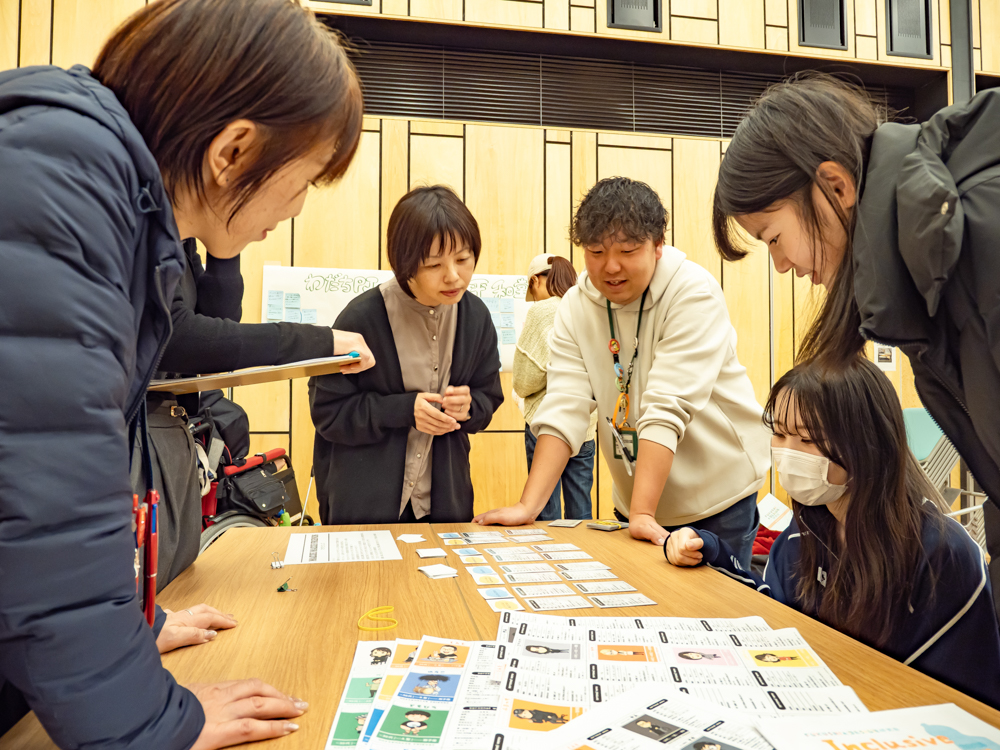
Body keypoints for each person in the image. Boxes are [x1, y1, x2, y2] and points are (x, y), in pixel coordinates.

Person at [0, 0, 364, 747]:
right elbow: (44, 495)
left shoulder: (110, 193)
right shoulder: (62, 175)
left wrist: (136, 630)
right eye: (304, 182)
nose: (291, 210)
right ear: (233, 150)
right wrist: (149, 720)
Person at [712, 72, 1000, 608]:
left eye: (775, 237)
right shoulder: (921, 280)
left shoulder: (979, 236)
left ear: (837, 187)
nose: (782, 265)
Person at [664, 357, 1000, 709]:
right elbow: (778, 616)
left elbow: (961, 697)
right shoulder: (805, 530)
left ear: (867, 444)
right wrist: (710, 550)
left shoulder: (942, 554)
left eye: (808, 439)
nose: (788, 454)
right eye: (779, 434)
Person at [475, 178, 770, 569]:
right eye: (595, 251)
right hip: (636, 505)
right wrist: (530, 506)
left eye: (628, 251)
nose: (610, 267)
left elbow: (667, 405)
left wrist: (642, 512)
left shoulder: (692, 292)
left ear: (658, 245)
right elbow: (564, 405)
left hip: (716, 496)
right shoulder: (576, 307)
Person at [310, 186, 503, 524]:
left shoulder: (475, 317)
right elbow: (329, 413)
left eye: (463, 259)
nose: (453, 276)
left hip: (444, 507)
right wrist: (400, 410)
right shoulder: (363, 319)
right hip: (366, 507)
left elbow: (489, 397)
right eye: (434, 264)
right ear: (406, 263)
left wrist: (470, 406)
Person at [515, 254, 597, 520]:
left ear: (535, 280)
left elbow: (524, 382)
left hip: (546, 423)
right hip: (586, 425)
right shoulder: (587, 308)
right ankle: (584, 559)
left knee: (544, 508)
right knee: (581, 508)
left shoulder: (541, 311)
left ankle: (550, 561)